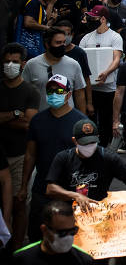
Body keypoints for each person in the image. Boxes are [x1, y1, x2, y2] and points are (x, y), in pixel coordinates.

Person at [17, 75, 87, 243]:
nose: (54, 94)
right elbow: (30, 155)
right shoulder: (37, 121)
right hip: (42, 189)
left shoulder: (81, 123)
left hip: (71, 192)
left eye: (59, 90)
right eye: (50, 90)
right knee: (37, 236)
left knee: (72, 238)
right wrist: (23, 187)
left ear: (68, 95)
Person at [45, 119, 126, 209]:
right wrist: (74, 195)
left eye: (92, 143)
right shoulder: (63, 157)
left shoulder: (107, 157)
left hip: (98, 211)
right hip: (69, 211)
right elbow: (50, 189)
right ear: (75, 141)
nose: (89, 147)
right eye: (85, 144)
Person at [1, 43, 40, 250]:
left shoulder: (30, 91)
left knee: (19, 202)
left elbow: (28, 124)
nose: (10, 65)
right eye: (7, 61)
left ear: (22, 64)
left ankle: (16, 248)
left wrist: (4, 118)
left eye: (15, 62)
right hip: (1, 154)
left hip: (18, 155)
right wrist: (16, 114)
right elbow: (22, 119)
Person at [78, 6, 123, 146]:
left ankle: (104, 146)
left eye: (93, 18)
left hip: (108, 88)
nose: (90, 20)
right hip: (91, 88)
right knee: (89, 121)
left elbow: (117, 59)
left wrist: (107, 73)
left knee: (105, 121)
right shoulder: (86, 38)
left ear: (103, 19)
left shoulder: (115, 37)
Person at [22, 27, 87, 111]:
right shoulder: (32, 64)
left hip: (67, 119)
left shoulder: (73, 64)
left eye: (64, 42)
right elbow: (25, 92)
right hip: (41, 118)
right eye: (58, 42)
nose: (62, 46)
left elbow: (79, 93)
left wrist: (82, 119)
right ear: (47, 44)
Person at [11, 200, 93, 264]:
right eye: (62, 232)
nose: (68, 237)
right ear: (44, 230)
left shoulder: (83, 260)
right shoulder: (22, 259)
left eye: (72, 231)